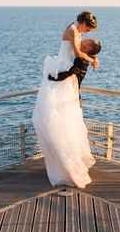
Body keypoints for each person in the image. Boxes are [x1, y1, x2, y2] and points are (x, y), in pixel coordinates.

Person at [31, 11, 99, 189]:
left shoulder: (75, 30)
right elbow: (77, 51)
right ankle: (63, 166)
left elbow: (79, 52)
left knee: (67, 118)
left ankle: (67, 163)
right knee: (57, 117)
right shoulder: (73, 30)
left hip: (66, 71)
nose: (87, 33)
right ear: (83, 22)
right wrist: (92, 59)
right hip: (62, 68)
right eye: (88, 28)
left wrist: (92, 56)